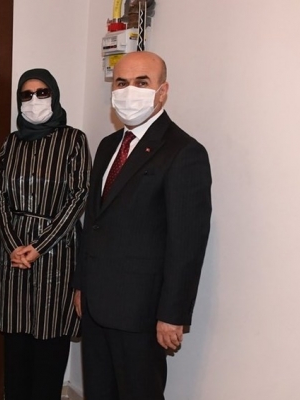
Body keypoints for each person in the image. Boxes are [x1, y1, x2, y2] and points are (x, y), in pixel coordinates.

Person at [74, 51, 212, 400]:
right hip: (96, 306)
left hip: (142, 313)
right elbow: (94, 223)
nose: (129, 91)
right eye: (121, 83)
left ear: (162, 91)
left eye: (142, 82)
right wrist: (81, 286)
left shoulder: (184, 152)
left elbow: (187, 243)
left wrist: (172, 315)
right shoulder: (108, 146)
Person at [0, 68, 91, 400]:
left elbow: (79, 195)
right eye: (27, 94)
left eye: (42, 92)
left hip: (56, 253)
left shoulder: (74, 140)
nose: (34, 100)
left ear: (55, 96)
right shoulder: (11, 143)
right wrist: (13, 245)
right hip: (13, 254)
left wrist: (39, 246)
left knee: (50, 341)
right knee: (16, 345)